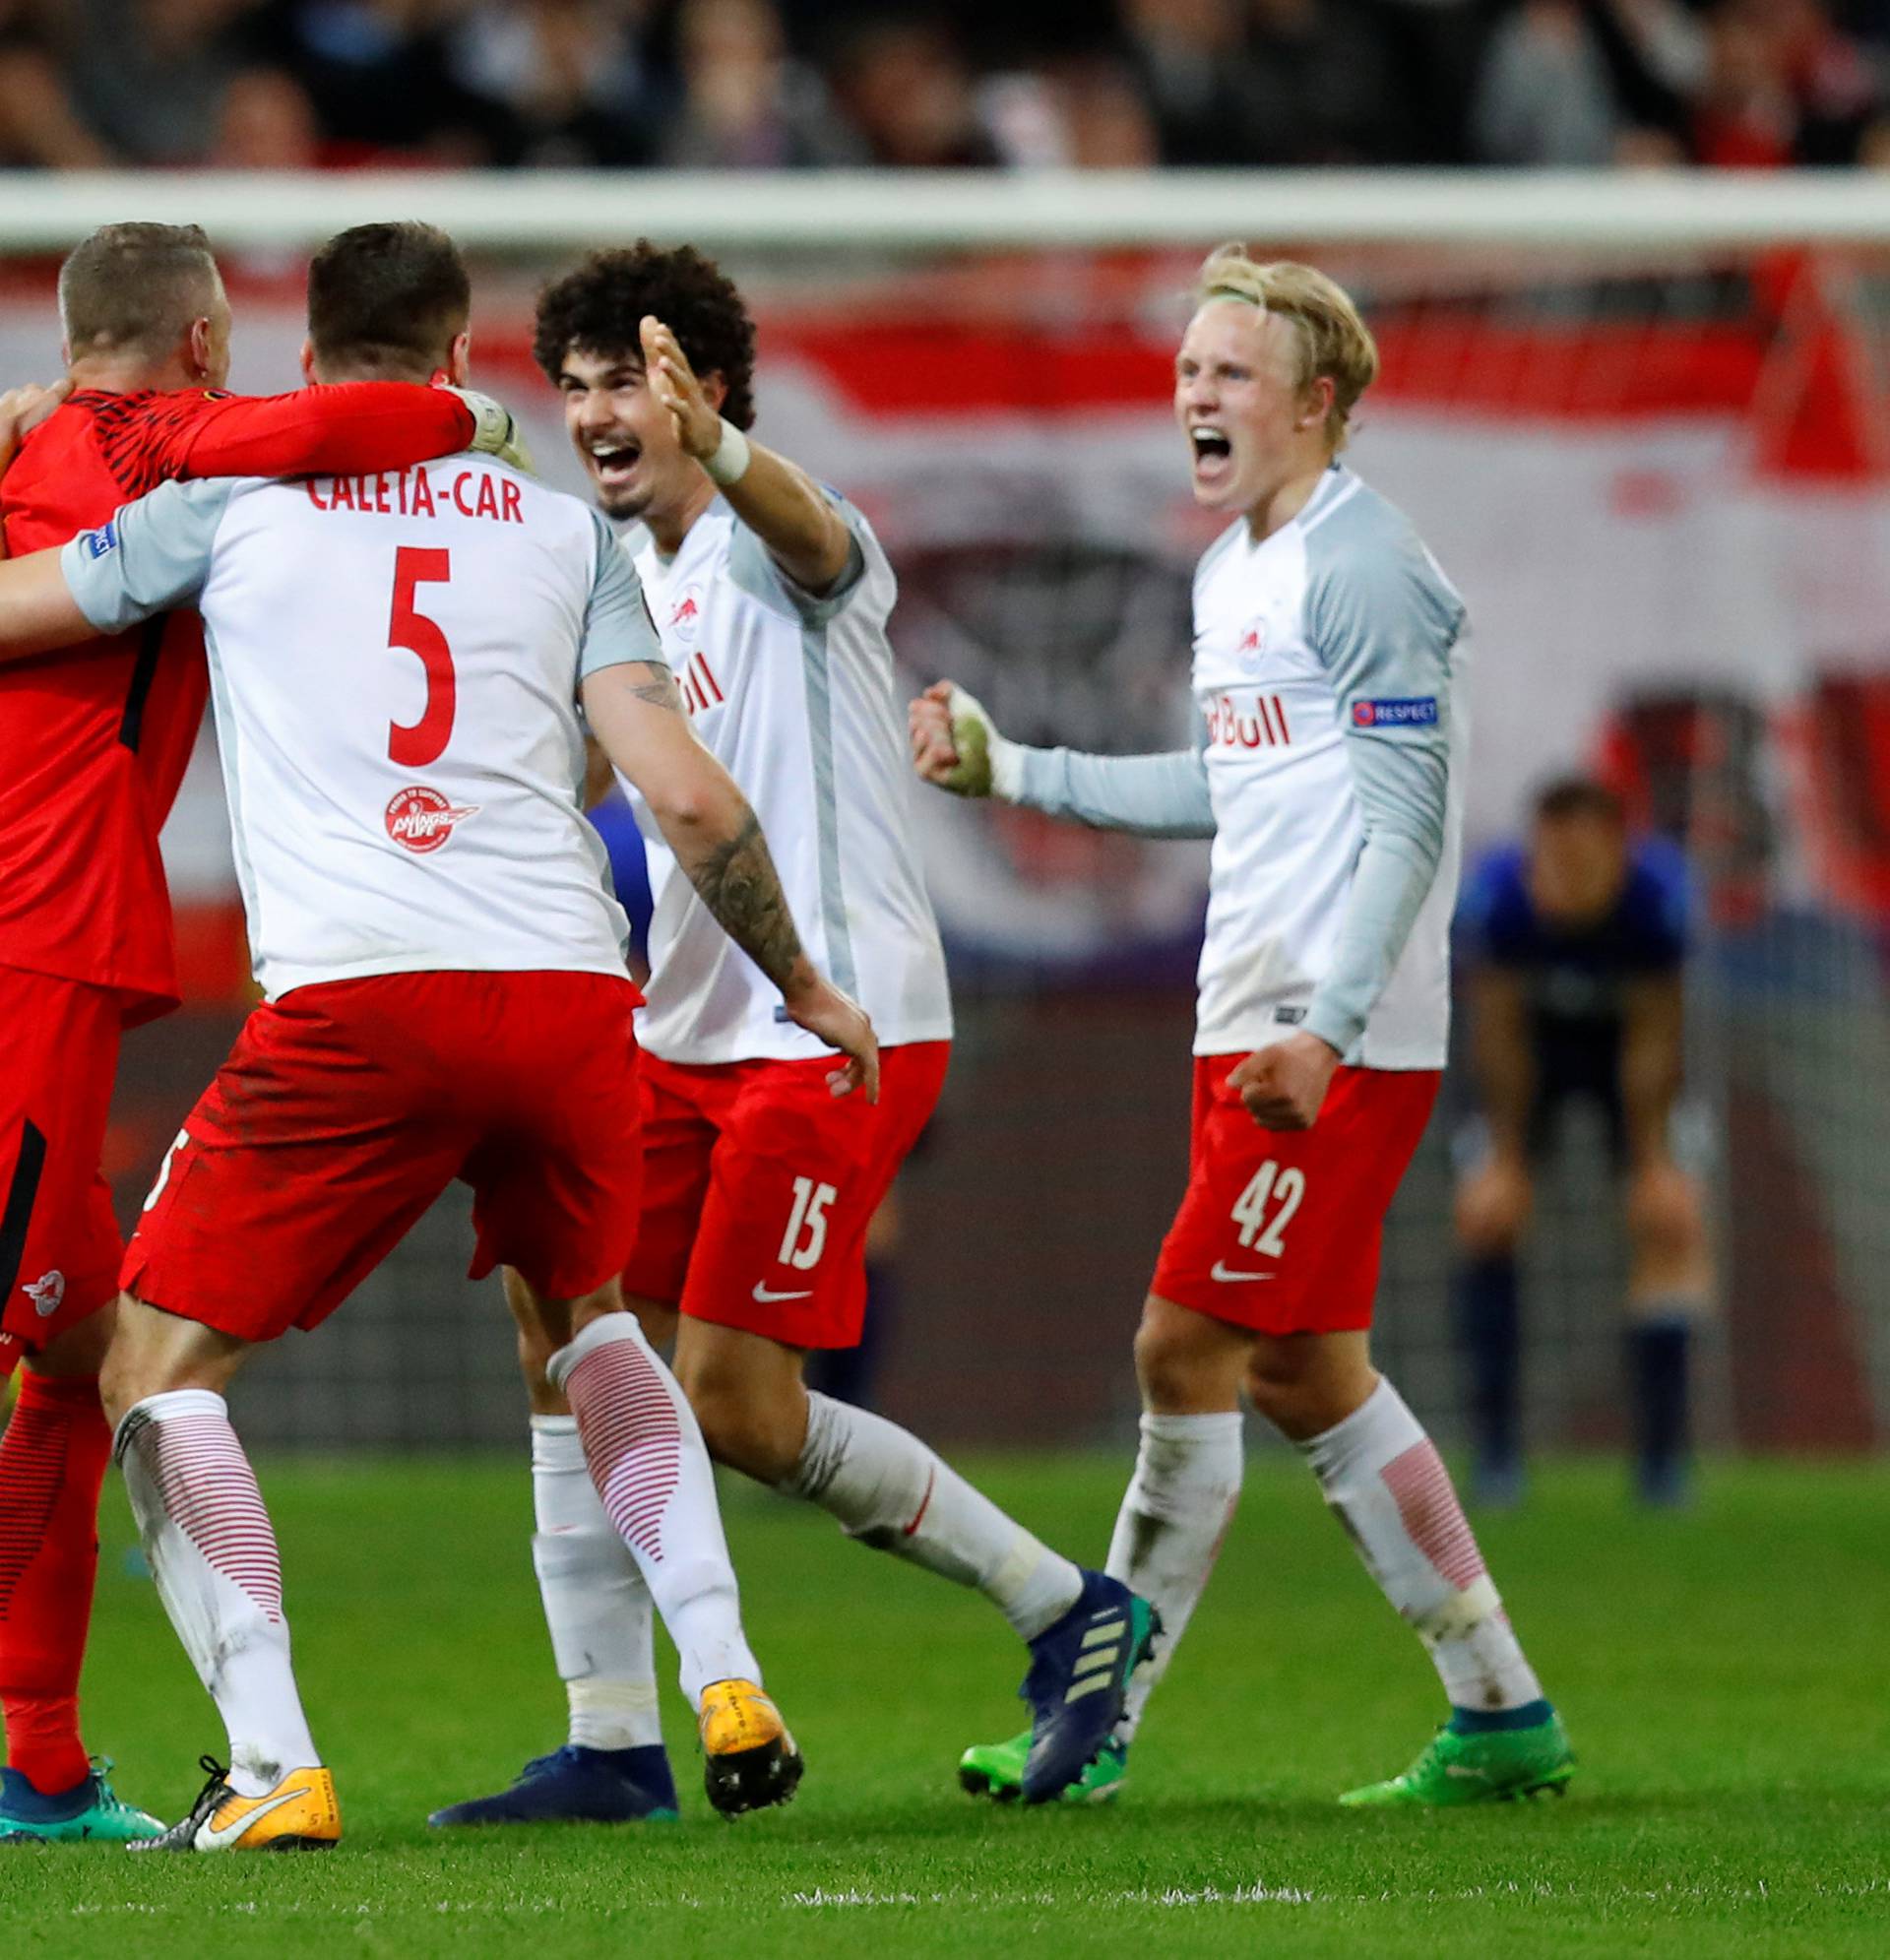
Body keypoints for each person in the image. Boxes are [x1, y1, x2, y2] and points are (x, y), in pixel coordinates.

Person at [0, 221, 876, 1852]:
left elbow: (34, 609)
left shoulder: (229, 506)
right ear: (464, 355)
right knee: (593, 1321)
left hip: (357, 996)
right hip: (565, 992)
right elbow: (680, 794)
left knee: (152, 1362)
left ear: (294, 358)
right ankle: (729, 1675)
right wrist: (804, 984)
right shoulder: (564, 533)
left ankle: (274, 1768)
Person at [430, 243, 1152, 1828]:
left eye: (631, 379)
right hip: (679, 1034)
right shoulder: (619, 595)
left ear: (709, 393)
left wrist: (736, 454)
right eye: (579, 387)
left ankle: (1064, 1606)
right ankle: (612, 1736)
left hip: (836, 1024)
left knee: (739, 1403)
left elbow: (821, 535)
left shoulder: (789, 559)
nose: (600, 412)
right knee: (559, 1322)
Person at [913, 245, 1574, 1808]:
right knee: (1304, 1370)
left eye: (1229, 373)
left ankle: (1098, 1713)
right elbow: (1231, 787)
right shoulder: (1232, 572)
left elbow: (1411, 826)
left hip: (1336, 1028)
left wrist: (1334, 1026)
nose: (1193, 396)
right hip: (1251, 1015)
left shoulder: (1368, 567)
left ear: (1320, 403)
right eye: (1187, 371)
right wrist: (1023, 770)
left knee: (1182, 1340)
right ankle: (1500, 1704)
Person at [0, 220, 516, 1847]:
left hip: (51, 947)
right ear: (206, 348)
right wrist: (480, 420)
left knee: (80, 1355)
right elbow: (364, 420)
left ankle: (38, 1757)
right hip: (25, 946)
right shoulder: (143, 440)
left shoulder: (48, 447)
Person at [1453, 778, 1708, 1508]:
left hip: (1626, 1059)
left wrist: (1654, 1159)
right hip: (1532, 1059)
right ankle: (1497, 1453)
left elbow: (1657, 1036)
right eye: (1551, 857)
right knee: (1485, 1217)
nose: (1562, 875)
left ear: (1616, 850)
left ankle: (1663, 1462)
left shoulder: (1657, 901)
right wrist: (1504, 1156)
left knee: (1671, 1222)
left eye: (1580, 859)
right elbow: (1497, 1037)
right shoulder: (1500, 899)